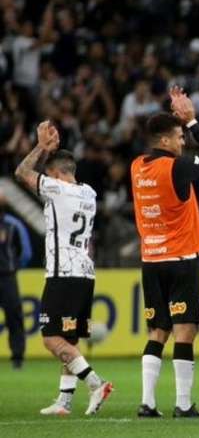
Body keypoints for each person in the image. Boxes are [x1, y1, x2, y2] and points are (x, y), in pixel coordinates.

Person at [131, 87, 199, 418]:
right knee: (185, 330)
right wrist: (193, 120)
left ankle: (147, 403)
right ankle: (184, 404)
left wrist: (180, 122)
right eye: (180, 137)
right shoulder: (176, 168)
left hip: (151, 260)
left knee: (158, 331)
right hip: (181, 260)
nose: (183, 142)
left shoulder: (137, 167)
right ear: (167, 140)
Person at [15, 121, 112, 416]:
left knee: (51, 338)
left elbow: (21, 173)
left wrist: (41, 148)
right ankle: (64, 400)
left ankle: (96, 383)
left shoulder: (57, 189)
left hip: (63, 274)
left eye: (48, 174)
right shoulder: (89, 193)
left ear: (55, 174)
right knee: (69, 339)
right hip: (85, 273)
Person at [0, 191, 32, 368]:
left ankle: (17, 357)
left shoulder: (13, 225)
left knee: (14, 317)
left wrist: (14, 267)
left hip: (7, 277)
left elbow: (26, 252)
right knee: (14, 317)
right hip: (8, 275)